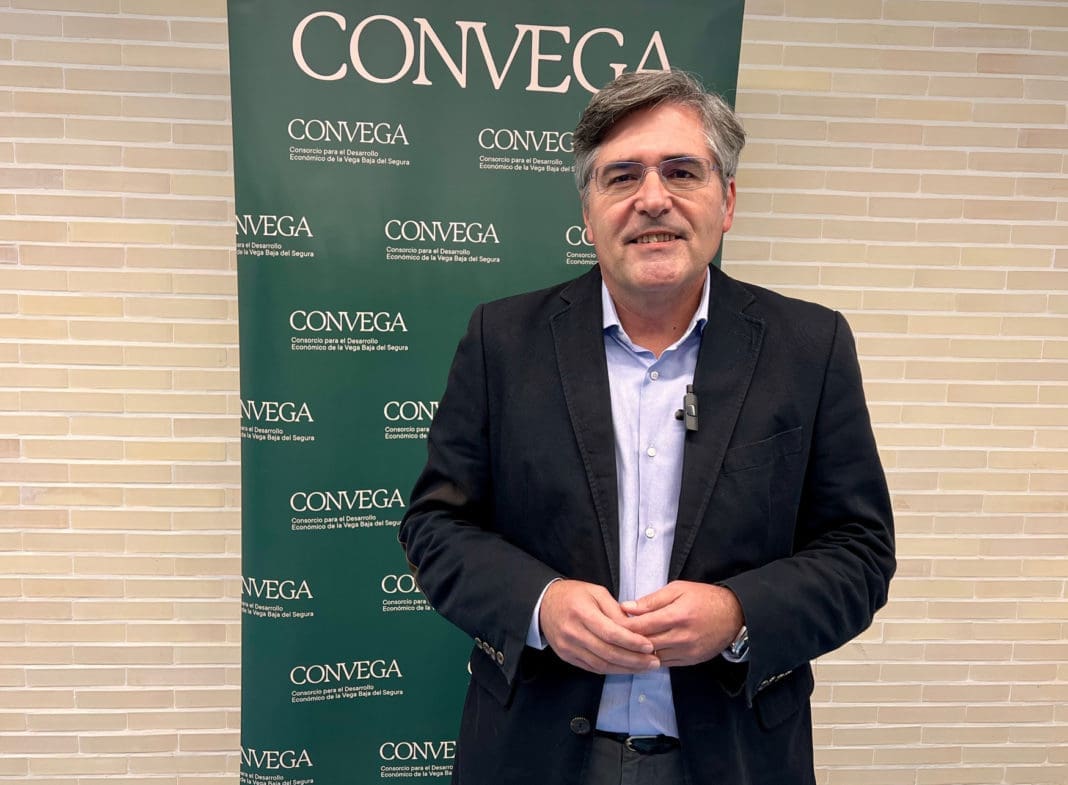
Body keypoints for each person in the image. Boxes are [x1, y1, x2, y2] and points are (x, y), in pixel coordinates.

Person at [399, 69, 894, 785]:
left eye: (682, 171)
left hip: (733, 758)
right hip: (534, 754)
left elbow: (860, 552)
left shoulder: (810, 348)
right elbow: (435, 527)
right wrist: (541, 604)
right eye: (622, 175)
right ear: (588, 211)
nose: (652, 198)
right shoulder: (500, 342)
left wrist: (738, 613)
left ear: (727, 201)